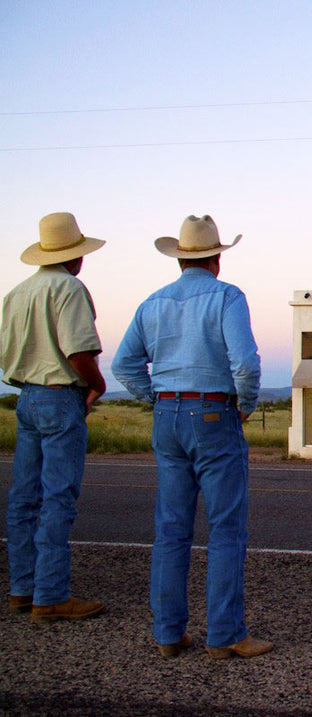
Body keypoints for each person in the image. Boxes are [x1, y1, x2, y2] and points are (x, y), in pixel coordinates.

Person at [111, 215, 271, 659]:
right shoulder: (226, 296)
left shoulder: (153, 302)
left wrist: (156, 398)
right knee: (225, 528)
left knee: (171, 529)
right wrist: (245, 404)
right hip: (213, 413)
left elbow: (123, 365)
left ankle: (168, 633)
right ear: (217, 258)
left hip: (168, 414)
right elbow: (246, 362)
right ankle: (224, 634)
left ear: (180, 259)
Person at [1, 212, 107, 622]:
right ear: (74, 255)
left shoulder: (17, 293)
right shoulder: (70, 288)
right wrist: (94, 385)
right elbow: (78, 351)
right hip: (60, 396)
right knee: (57, 498)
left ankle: (22, 589)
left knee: (23, 499)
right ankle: (50, 596)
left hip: (26, 397)